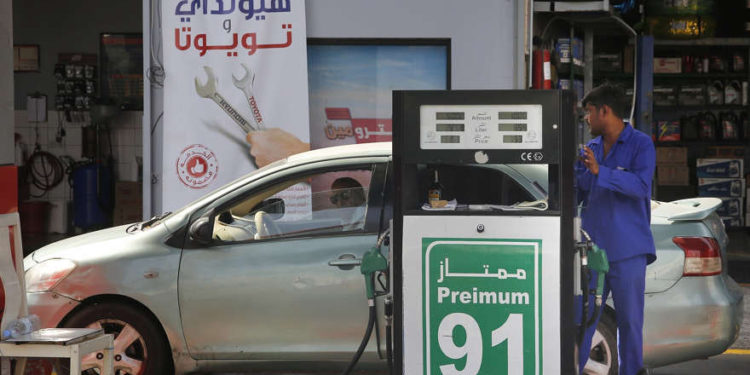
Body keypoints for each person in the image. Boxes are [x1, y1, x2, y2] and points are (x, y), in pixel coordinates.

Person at [575, 84, 656, 375]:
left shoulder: (641, 144)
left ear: (604, 111)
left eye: (589, 113)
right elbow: (577, 192)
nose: (586, 119)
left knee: (630, 323)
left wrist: (602, 172)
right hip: (593, 251)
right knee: (583, 319)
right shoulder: (590, 149)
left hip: (628, 250)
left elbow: (641, 186)